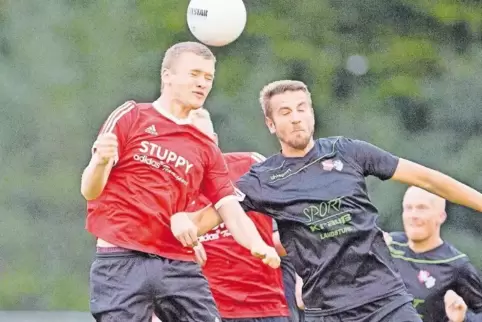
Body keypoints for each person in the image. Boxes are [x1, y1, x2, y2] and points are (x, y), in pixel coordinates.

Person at [181, 79, 482, 322]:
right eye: (285, 112)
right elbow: (201, 221)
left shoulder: (348, 152)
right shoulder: (261, 179)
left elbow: (429, 179)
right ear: (270, 124)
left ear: (312, 113)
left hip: (386, 301)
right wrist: (184, 228)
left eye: (302, 108)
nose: (297, 118)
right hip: (326, 312)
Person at [80, 41, 280, 322]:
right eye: (194, 74)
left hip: (178, 264)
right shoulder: (132, 115)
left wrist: (256, 244)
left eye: (208, 78)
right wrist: (100, 162)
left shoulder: (206, 148)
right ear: (167, 76)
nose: (202, 84)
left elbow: (230, 209)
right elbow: (90, 190)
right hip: (121, 259)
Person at [179, 108, 292, 322]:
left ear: (214, 140)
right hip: (204, 311)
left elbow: (295, 225)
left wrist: (303, 273)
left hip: (265, 307)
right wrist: (181, 245)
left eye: (202, 141)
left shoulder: (252, 166)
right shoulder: (166, 188)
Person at [387, 186, 482, 322]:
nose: (413, 215)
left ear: (441, 216)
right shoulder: (388, 246)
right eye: (408, 208)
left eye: (421, 208)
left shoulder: (456, 265)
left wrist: (462, 319)